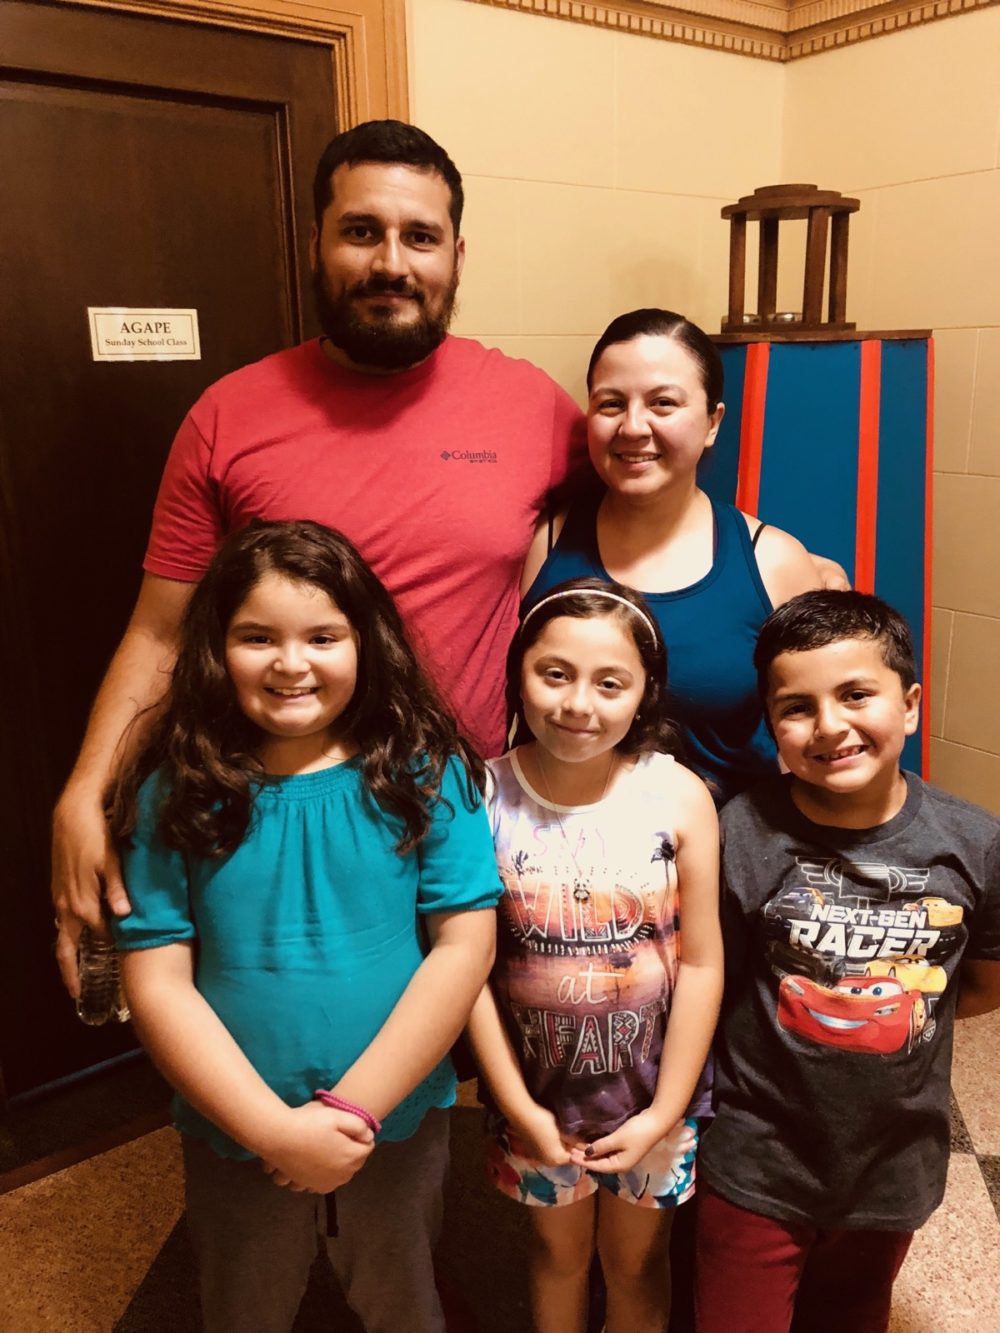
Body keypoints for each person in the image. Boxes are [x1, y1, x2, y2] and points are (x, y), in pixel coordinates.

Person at [51, 118, 584, 991]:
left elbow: (645, 509)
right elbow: (161, 633)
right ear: (316, 243)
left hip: (472, 820)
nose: (391, 263)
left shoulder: (531, 406)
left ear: (457, 254)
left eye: (420, 237)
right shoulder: (227, 418)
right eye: (361, 231)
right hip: (281, 833)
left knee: (473, 1049)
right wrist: (86, 791)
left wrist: (772, 555)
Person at [108, 519, 501, 1333]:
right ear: (217, 647)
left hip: (394, 1120)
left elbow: (464, 949)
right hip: (235, 1124)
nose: (291, 663)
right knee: (244, 1304)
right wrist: (272, 1131)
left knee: (403, 1296)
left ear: (366, 641)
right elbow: (157, 979)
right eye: (258, 637)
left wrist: (356, 1110)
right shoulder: (173, 788)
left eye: (322, 636)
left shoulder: (426, 770)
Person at [695, 590, 1000, 1333]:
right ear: (772, 724)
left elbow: (980, 985)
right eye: (797, 707)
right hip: (756, 1158)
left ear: (911, 705)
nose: (830, 725)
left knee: (852, 1314)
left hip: (892, 1166)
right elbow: (715, 982)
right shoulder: (741, 831)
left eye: (856, 694)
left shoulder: (975, 844)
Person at [468, 578, 723, 1333]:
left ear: (645, 693)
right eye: (555, 673)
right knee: (557, 1256)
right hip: (536, 1102)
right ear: (519, 673)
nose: (579, 703)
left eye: (610, 682)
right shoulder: (482, 796)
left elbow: (702, 962)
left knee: (638, 1264)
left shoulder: (678, 795)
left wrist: (666, 1110)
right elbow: (468, 973)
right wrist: (518, 1106)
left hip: (651, 1102)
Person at [522, 307, 825, 807]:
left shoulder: (773, 564)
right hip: (554, 842)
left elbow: (817, 733)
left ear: (712, 422)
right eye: (611, 404)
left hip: (729, 846)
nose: (633, 427)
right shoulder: (543, 543)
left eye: (663, 403)